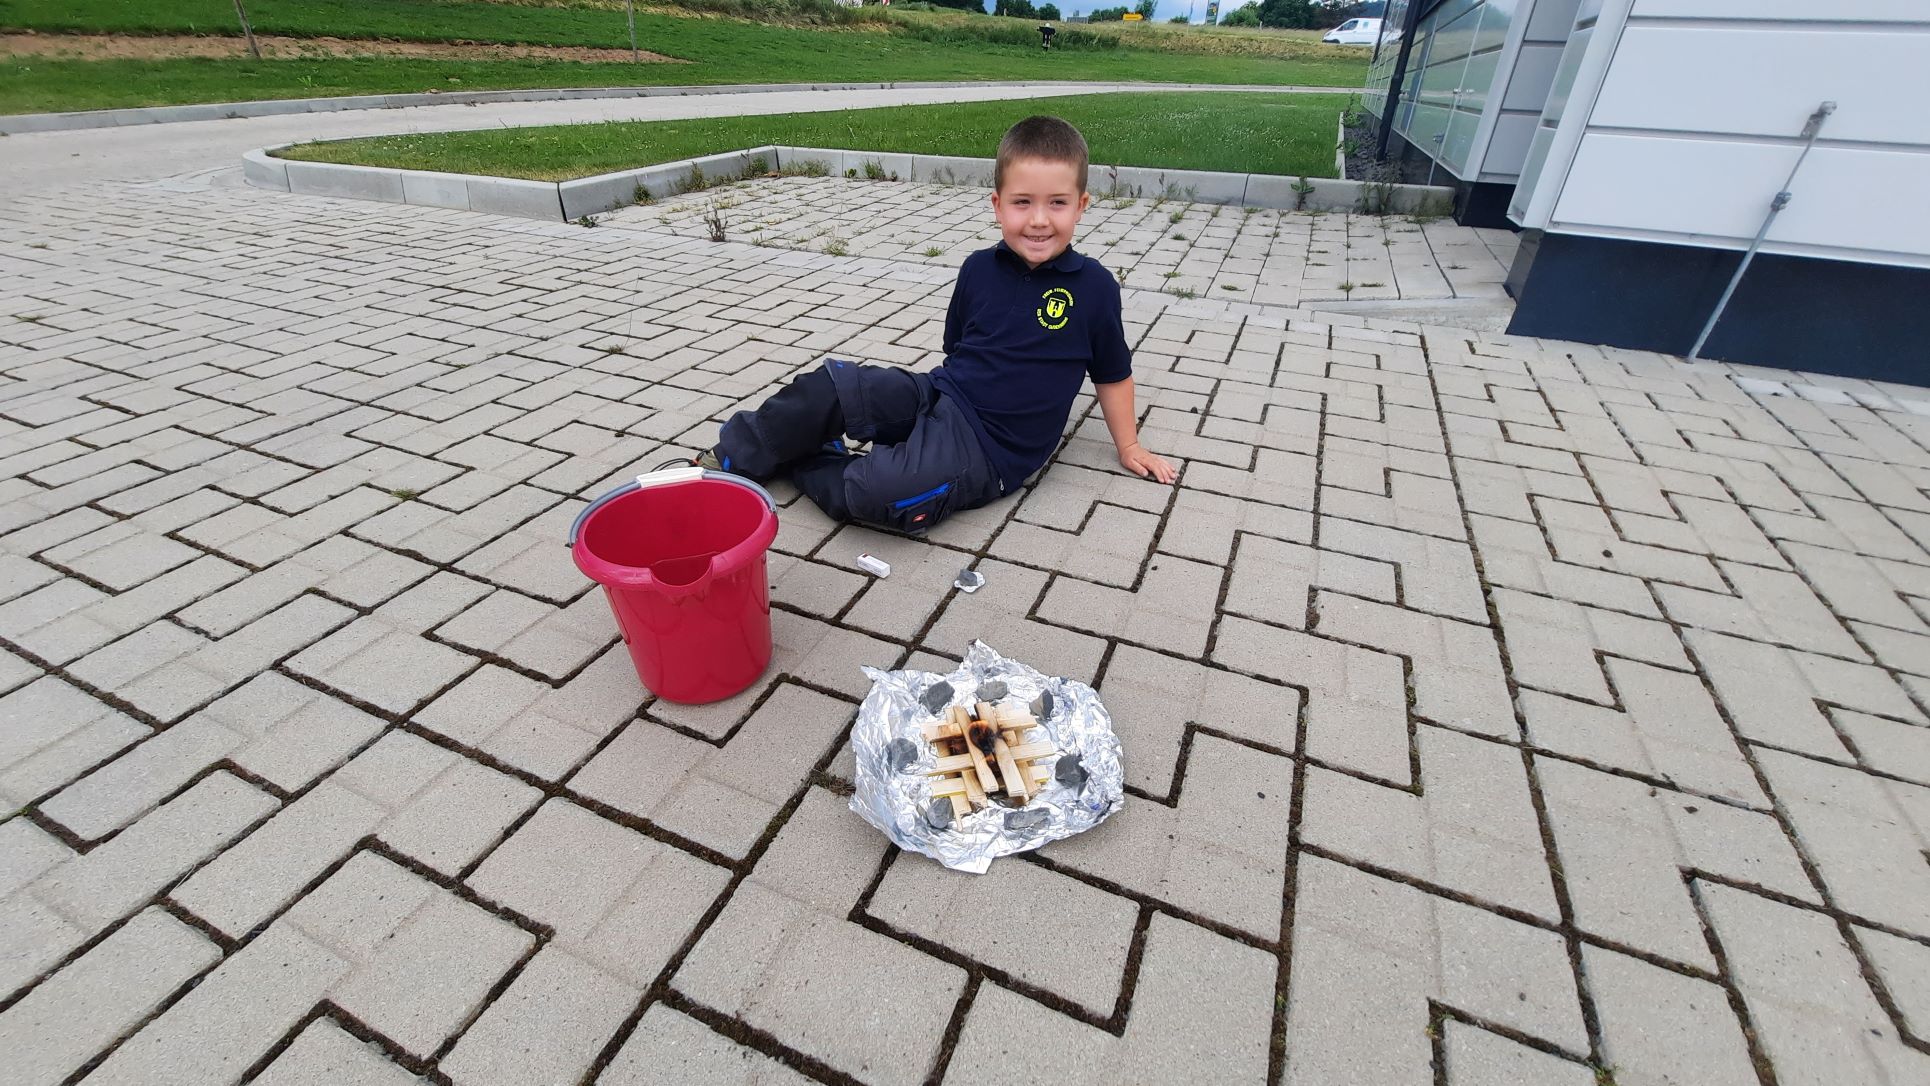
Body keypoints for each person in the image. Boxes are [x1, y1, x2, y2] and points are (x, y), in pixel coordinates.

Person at [696, 115, 1176, 534]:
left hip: (991, 450)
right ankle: (733, 457)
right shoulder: (977, 268)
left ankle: (803, 460)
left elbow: (1112, 374)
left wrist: (1129, 444)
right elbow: (957, 346)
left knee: (884, 492)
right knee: (830, 387)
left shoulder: (1094, 288)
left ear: (1081, 205)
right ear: (997, 205)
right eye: (1022, 202)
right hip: (939, 394)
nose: (1038, 220)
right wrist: (925, 409)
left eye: (1057, 203)